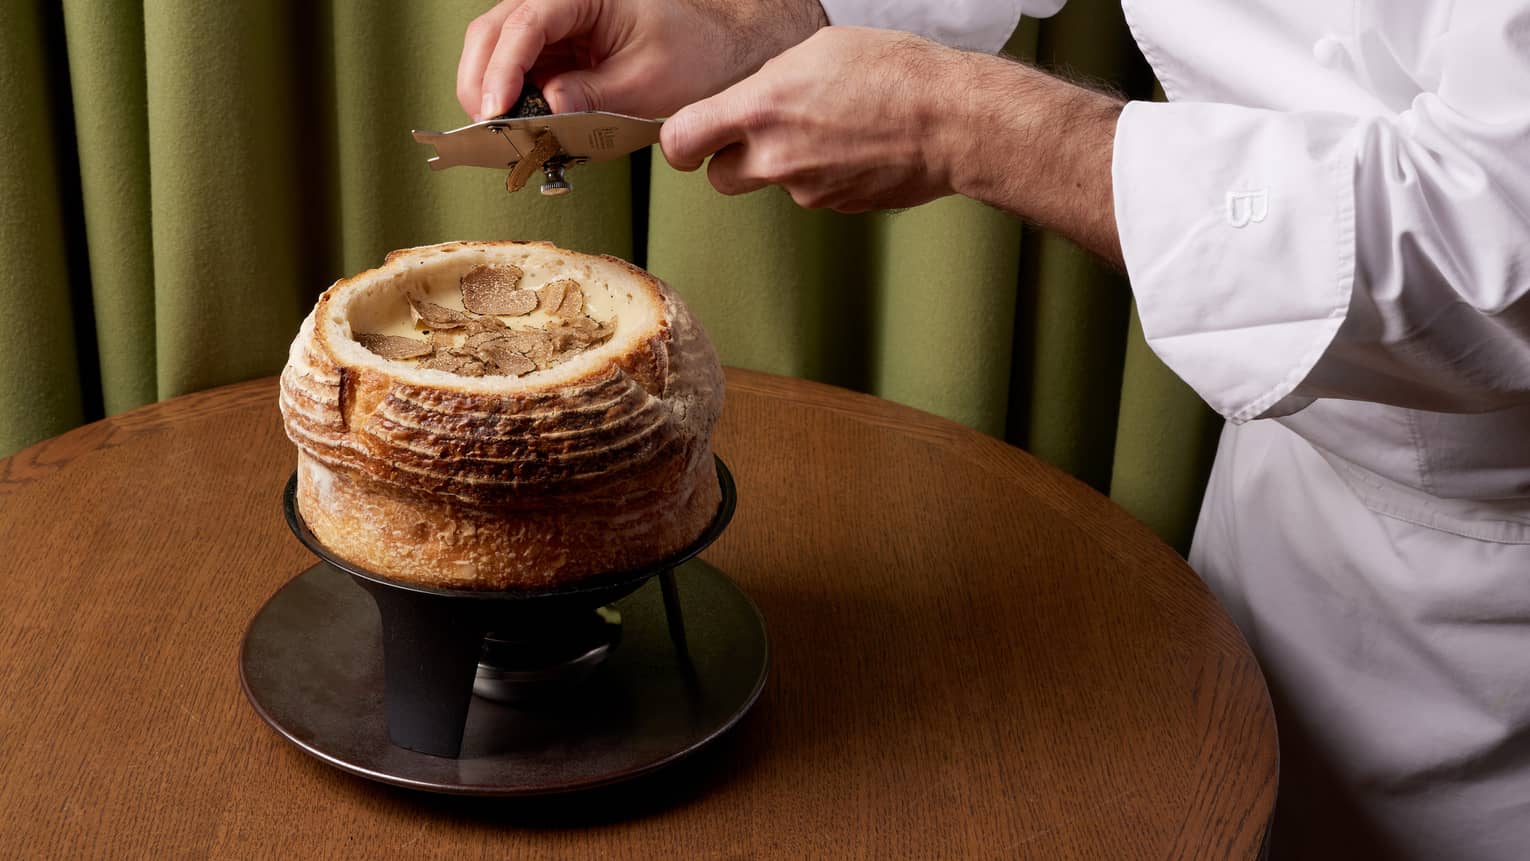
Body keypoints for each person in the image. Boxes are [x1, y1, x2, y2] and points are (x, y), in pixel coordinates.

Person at [457, 2, 1530, 857]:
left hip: (1492, 614)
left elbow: (1493, 241)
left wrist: (966, 124)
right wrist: (754, 20)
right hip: (1296, 489)